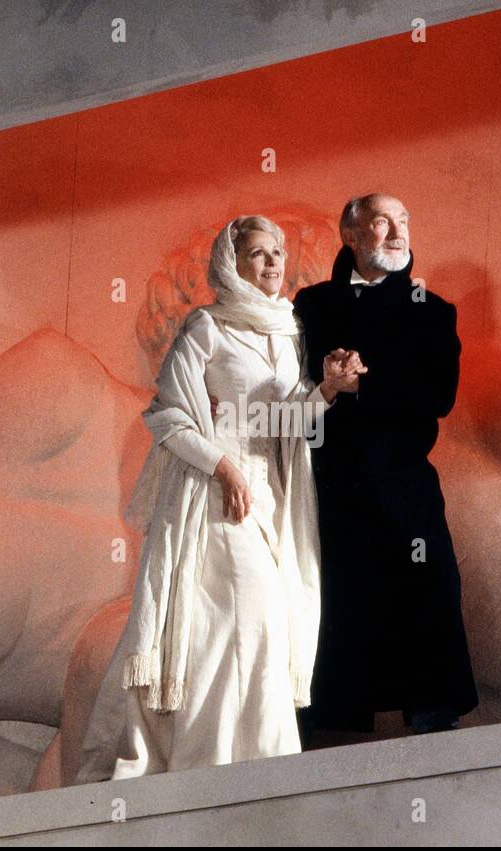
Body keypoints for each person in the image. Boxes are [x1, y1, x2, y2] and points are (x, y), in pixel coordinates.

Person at [99, 214, 365, 777]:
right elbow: (168, 414)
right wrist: (223, 467)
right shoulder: (208, 328)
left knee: (266, 622)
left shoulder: (286, 329)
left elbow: (290, 420)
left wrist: (328, 389)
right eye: (259, 254)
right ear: (232, 264)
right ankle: (212, 763)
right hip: (217, 498)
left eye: (278, 253)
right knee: (244, 621)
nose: (273, 262)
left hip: (269, 496)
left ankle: (260, 771)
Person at [293, 192, 479, 740]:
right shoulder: (310, 306)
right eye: (382, 222)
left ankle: (433, 728)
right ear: (351, 236)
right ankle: (332, 735)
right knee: (337, 612)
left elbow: (437, 394)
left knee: (427, 596)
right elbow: (287, 386)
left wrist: (362, 384)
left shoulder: (435, 310)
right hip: (327, 491)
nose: (397, 232)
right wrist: (327, 383)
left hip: (404, 489)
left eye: (404, 221)